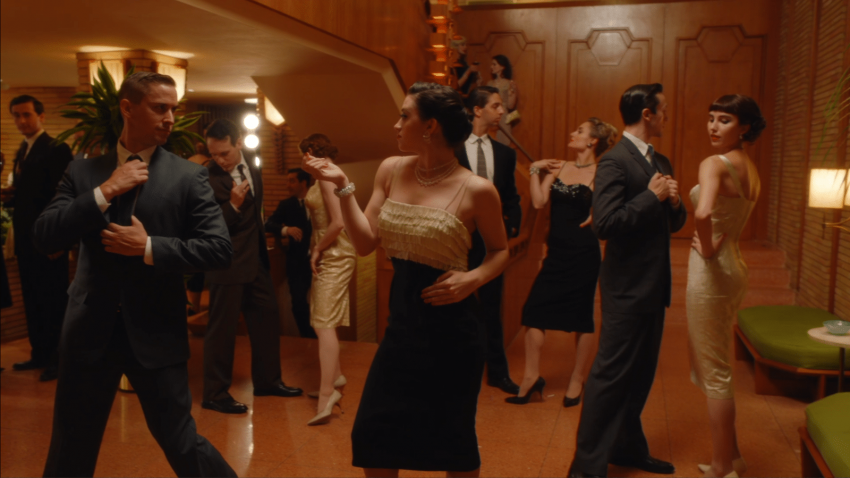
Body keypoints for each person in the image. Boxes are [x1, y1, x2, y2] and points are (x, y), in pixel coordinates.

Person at [33, 71, 236, 477]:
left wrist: (148, 247)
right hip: (88, 330)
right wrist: (105, 191)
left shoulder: (188, 176)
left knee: (181, 442)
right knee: (71, 446)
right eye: (160, 108)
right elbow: (44, 235)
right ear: (128, 107)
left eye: (173, 109)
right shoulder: (83, 173)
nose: (170, 118)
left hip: (156, 330)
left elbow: (218, 249)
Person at [304, 82, 509, 477]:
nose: (396, 125)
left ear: (430, 126)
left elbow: (500, 251)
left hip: (454, 332)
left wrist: (473, 279)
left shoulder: (477, 189)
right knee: (374, 438)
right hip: (401, 328)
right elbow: (365, 242)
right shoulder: (391, 169)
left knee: (453, 443)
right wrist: (342, 186)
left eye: (404, 116)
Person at [568, 83, 687, 478]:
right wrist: (650, 197)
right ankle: (585, 469)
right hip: (625, 288)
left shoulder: (661, 161)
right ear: (647, 114)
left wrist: (674, 202)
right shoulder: (615, 161)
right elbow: (604, 224)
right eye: (663, 110)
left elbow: (674, 222)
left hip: (655, 285)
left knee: (639, 376)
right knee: (609, 377)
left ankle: (626, 448)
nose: (666, 116)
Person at [507, 118, 617, 407]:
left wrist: (600, 213)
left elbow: (613, 207)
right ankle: (531, 377)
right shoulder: (559, 167)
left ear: (592, 141)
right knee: (533, 311)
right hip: (555, 253)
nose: (572, 133)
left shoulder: (602, 172)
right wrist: (535, 169)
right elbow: (539, 201)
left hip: (584, 254)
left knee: (581, 318)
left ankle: (577, 379)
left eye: (579, 131)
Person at [202, 118, 302, 415]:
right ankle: (214, 394)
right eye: (213, 154)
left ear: (239, 143)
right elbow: (206, 225)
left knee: (267, 321)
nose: (219, 160)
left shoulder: (254, 168)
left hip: (256, 261)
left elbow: (257, 216)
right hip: (226, 264)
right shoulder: (206, 177)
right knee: (222, 332)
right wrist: (232, 206)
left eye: (224, 153)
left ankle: (268, 382)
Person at [688, 95, 765, 478]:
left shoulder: (714, 163)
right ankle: (732, 456)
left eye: (725, 120)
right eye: (711, 118)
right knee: (718, 364)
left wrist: (704, 245)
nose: (713, 127)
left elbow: (703, 212)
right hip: (734, 265)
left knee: (716, 371)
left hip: (712, 271)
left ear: (744, 127)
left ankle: (721, 468)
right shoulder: (749, 167)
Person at [1, 94, 73, 382]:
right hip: (26, 240)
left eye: (26, 114)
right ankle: (40, 353)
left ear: (41, 116)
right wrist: (11, 195)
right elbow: (31, 193)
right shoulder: (23, 148)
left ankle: (59, 359)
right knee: (32, 299)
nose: (21, 121)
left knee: (54, 300)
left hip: (49, 240)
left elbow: (63, 198)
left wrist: (60, 240)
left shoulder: (57, 148)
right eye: (16, 115)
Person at [456, 86, 522, 394]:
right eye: (496, 106)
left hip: (492, 244)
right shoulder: (453, 148)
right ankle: (459, 371)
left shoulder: (506, 154)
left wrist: (510, 229)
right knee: (458, 307)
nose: (502, 111)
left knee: (492, 309)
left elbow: (512, 198)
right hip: (457, 242)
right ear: (477, 110)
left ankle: (497, 372)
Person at [296, 134, 355, 425]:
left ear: (310, 153)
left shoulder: (326, 176)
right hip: (331, 251)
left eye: (302, 155)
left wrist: (317, 249)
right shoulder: (327, 173)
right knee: (323, 319)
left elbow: (339, 222)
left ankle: (326, 394)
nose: (301, 161)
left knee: (323, 323)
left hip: (335, 253)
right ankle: (336, 377)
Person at [265, 167, 316, 339]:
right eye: (287, 181)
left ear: (304, 182)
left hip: (321, 261)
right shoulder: (286, 205)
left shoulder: (319, 202)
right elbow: (268, 224)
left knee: (322, 303)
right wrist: (286, 229)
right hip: (297, 262)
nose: (288, 185)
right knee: (298, 302)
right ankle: (308, 337)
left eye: (292, 181)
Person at [186, 141, 211, 315]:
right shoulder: (206, 163)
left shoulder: (191, 162)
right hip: (197, 217)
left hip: (194, 216)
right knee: (196, 267)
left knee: (195, 266)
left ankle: (193, 305)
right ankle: (193, 305)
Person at [486, 55, 518, 145]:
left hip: (503, 117)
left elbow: (510, 105)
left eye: (494, 64)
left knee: (504, 143)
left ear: (502, 67)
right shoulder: (489, 83)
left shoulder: (508, 83)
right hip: (491, 117)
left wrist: (514, 92)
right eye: (491, 64)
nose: (491, 66)